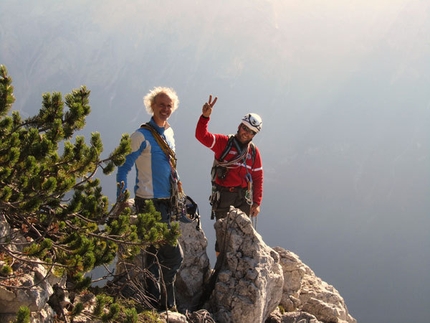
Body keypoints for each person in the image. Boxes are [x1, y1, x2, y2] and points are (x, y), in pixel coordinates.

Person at [116, 86, 183, 311]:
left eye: (168, 106)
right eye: (161, 105)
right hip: (149, 202)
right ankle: (167, 303)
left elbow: (169, 165)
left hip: (167, 201)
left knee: (154, 253)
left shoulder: (170, 132)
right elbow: (123, 168)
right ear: (152, 106)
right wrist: (121, 195)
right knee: (173, 256)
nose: (165, 109)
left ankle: (155, 304)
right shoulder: (141, 135)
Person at [195, 95, 264, 255]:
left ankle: (235, 269)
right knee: (223, 237)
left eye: (251, 132)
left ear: (254, 135)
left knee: (242, 236)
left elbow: (258, 178)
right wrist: (205, 117)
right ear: (239, 126)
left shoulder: (253, 152)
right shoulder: (223, 143)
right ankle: (221, 268)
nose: (246, 133)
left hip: (243, 198)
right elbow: (201, 136)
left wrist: (257, 202)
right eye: (245, 128)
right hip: (224, 197)